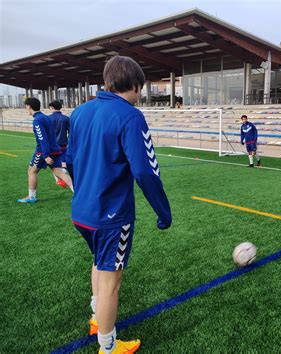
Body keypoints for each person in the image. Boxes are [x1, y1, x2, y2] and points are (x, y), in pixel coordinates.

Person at [67, 55, 172, 354]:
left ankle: (96, 319)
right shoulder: (130, 116)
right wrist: (163, 212)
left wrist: (84, 192)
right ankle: (108, 347)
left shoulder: (80, 112)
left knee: (99, 264)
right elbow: (145, 171)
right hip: (111, 216)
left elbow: (71, 161)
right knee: (111, 282)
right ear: (137, 86)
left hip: (82, 212)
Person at [17, 97, 73, 203]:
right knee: (59, 172)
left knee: (31, 171)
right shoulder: (45, 117)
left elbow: (43, 138)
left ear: (29, 106)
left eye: (26, 107)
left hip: (43, 151)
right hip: (55, 149)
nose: (26, 109)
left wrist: (46, 155)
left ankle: (32, 197)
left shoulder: (38, 120)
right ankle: (78, 194)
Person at [49, 100, 70, 188]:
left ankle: (59, 180)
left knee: (53, 164)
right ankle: (63, 177)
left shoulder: (48, 118)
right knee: (64, 163)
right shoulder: (66, 118)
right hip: (63, 145)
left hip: (52, 146)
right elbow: (71, 132)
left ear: (52, 107)